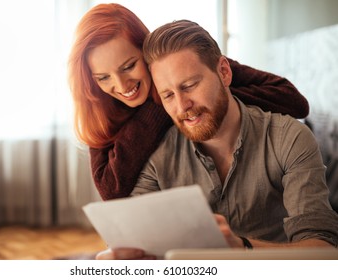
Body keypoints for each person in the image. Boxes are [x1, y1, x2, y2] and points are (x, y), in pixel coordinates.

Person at [96, 19, 338, 260]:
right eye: (168, 95)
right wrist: (120, 260)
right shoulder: (156, 154)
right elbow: (135, 240)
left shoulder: (290, 138)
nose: (182, 106)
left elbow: (324, 254)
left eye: (190, 85)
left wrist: (242, 248)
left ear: (224, 72)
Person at [68, 3, 309, 201]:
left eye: (129, 66)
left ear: (146, 51)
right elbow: (111, 189)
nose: (121, 86)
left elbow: (295, 102)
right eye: (103, 77)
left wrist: (214, 95)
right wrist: (160, 107)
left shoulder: (188, 66)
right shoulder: (99, 106)